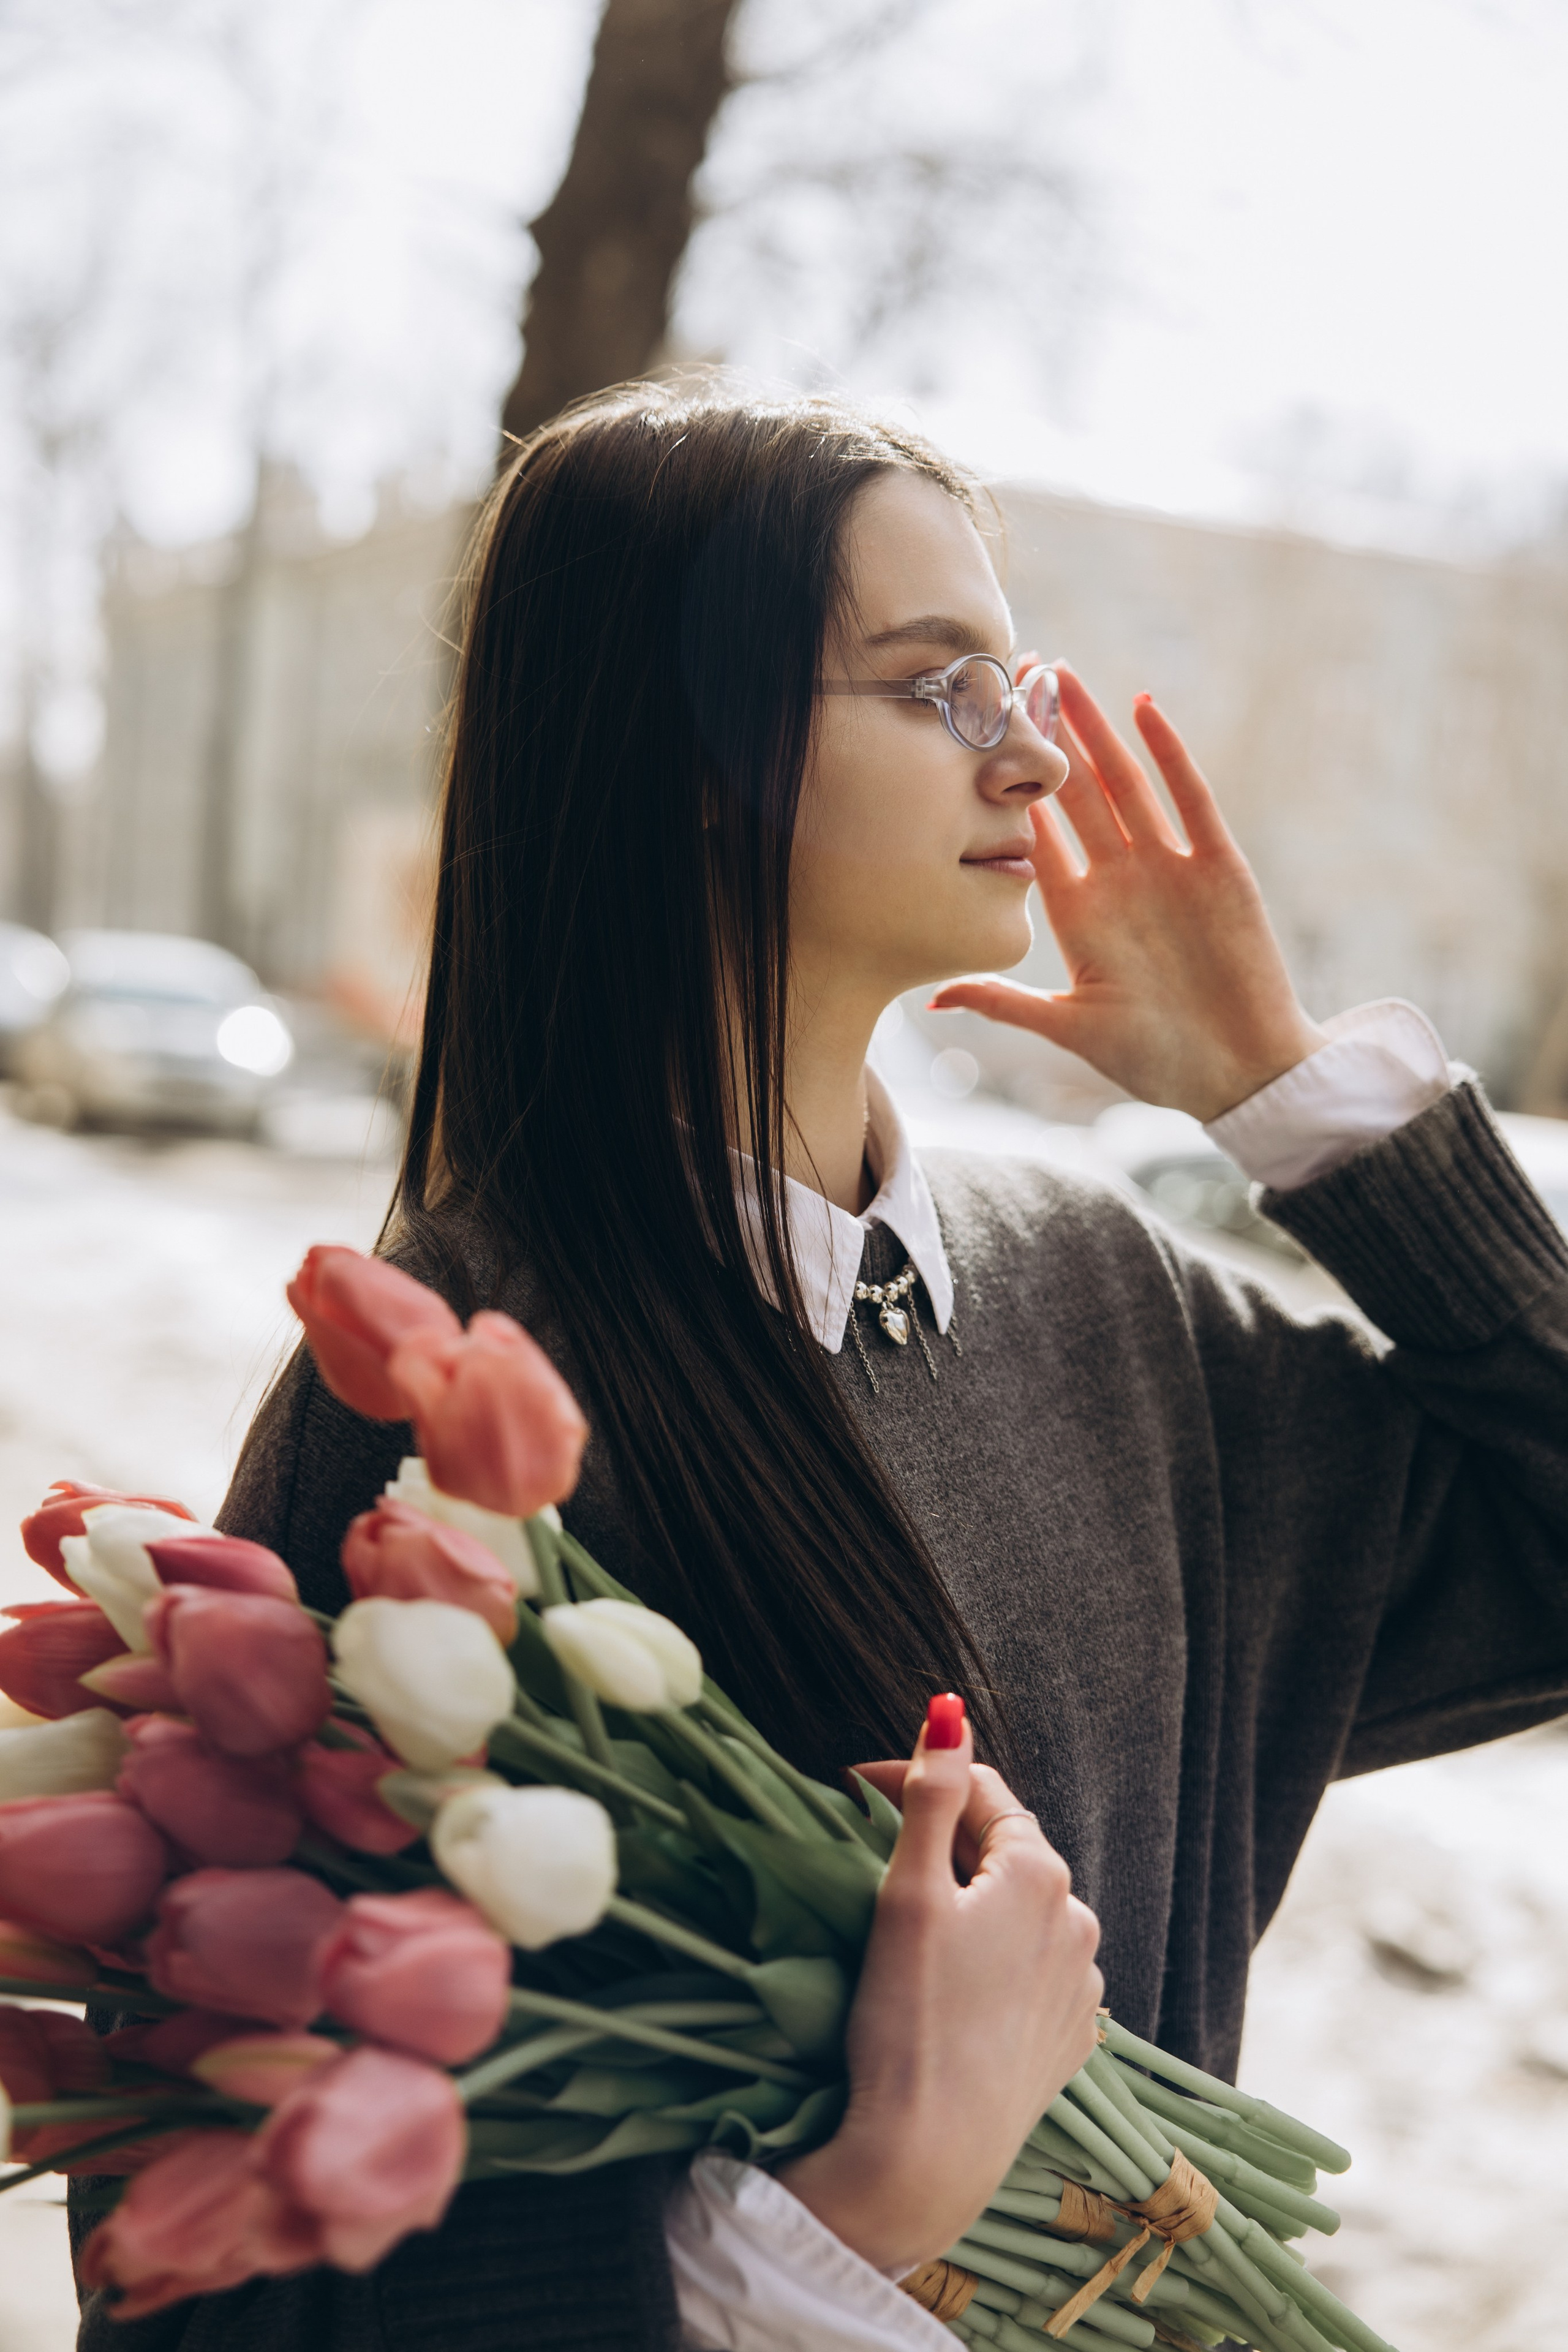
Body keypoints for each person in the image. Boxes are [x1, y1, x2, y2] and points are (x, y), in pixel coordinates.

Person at [74, 382, 1568, 2352]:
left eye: (1015, 677)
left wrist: (1286, 1096)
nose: (1036, 752)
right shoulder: (439, 1411)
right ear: (694, 747)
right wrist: (821, 2238)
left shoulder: (1100, 1297)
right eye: (939, 686)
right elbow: (200, 2282)